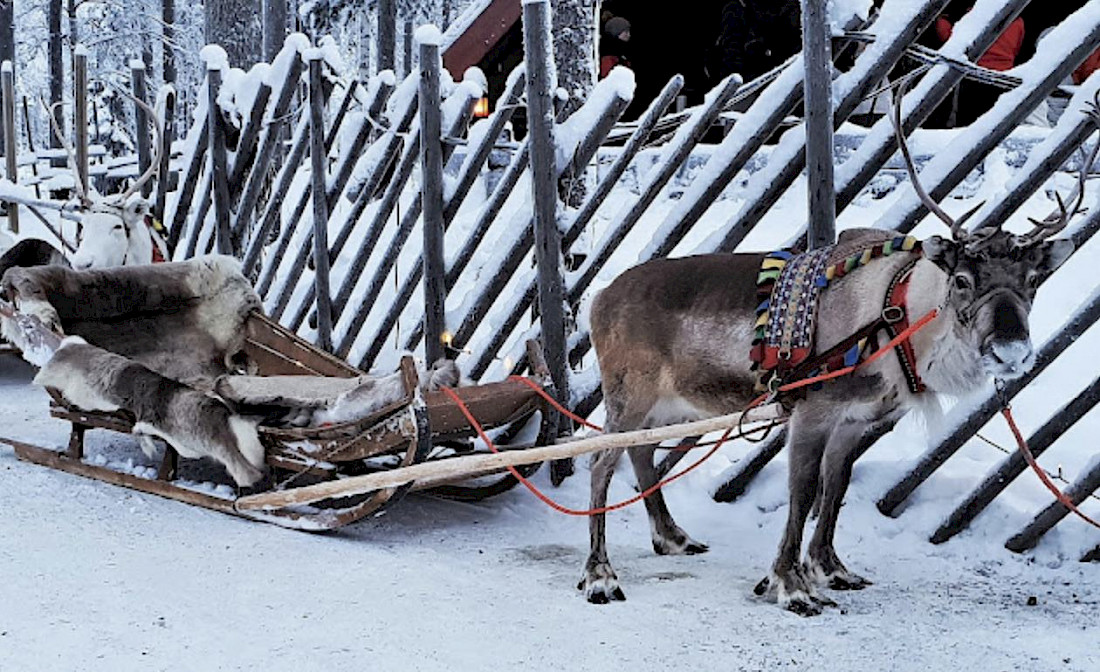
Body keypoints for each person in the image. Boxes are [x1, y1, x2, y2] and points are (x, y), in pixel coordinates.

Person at [934, 11, 1025, 127]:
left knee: (966, 122)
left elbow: (953, 41)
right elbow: (1017, 49)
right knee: (993, 123)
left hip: (976, 76)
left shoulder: (976, 16)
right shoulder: (1017, 21)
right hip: (1003, 79)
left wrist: (940, 20)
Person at [704, 0, 802, 86]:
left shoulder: (791, 7)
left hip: (783, 78)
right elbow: (731, 54)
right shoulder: (737, 9)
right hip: (749, 85)